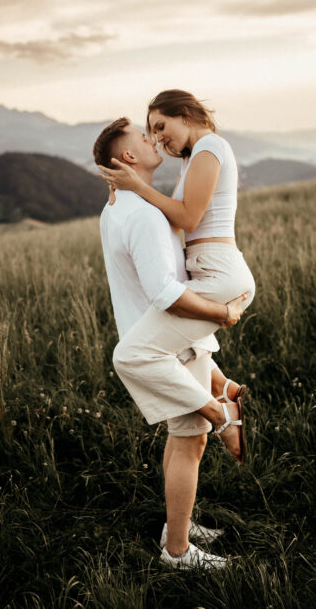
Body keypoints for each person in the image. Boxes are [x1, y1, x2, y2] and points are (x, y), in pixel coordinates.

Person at [94, 117, 249, 571]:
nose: (152, 139)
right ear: (128, 158)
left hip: (159, 334)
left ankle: (175, 525)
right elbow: (165, 291)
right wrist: (223, 314)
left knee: (182, 440)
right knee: (189, 442)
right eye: (143, 138)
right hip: (167, 342)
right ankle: (177, 551)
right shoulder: (142, 214)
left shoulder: (118, 206)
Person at [98, 89, 255, 414]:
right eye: (150, 131)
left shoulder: (209, 146)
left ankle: (219, 410)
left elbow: (187, 217)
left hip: (219, 270)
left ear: (184, 114)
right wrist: (125, 197)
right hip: (211, 267)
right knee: (170, 334)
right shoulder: (196, 154)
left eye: (160, 126)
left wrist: (137, 188)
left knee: (135, 351)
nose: (157, 138)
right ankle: (223, 389)